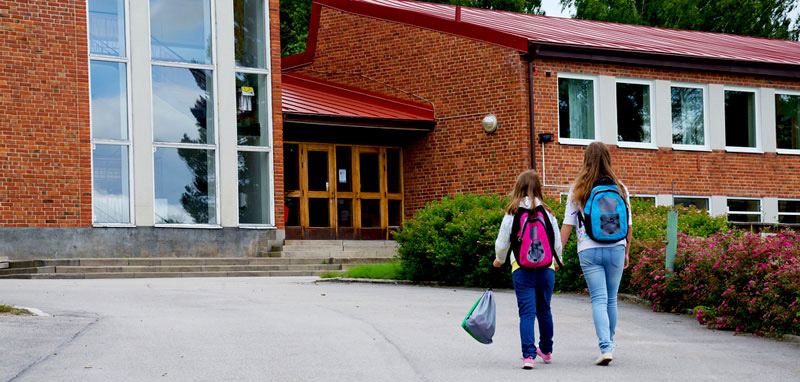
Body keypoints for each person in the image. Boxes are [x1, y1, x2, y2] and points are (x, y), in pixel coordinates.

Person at [560, 141, 633, 366]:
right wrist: (627, 251)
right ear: (608, 159)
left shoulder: (578, 189)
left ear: (586, 160)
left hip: (589, 250)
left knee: (599, 299)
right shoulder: (620, 188)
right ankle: (608, 344)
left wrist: (557, 254)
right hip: (617, 248)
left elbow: (568, 225)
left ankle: (605, 347)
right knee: (611, 299)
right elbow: (628, 225)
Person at [493, 170, 562, 370]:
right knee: (545, 309)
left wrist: (499, 260)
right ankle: (546, 351)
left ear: (518, 187)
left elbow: (502, 241)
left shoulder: (512, 212)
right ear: (538, 187)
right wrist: (556, 263)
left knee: (527, 313)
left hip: (521, 269)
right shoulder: (547, 213)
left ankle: (529, 356)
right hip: (546, 268)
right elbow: (556, 242)